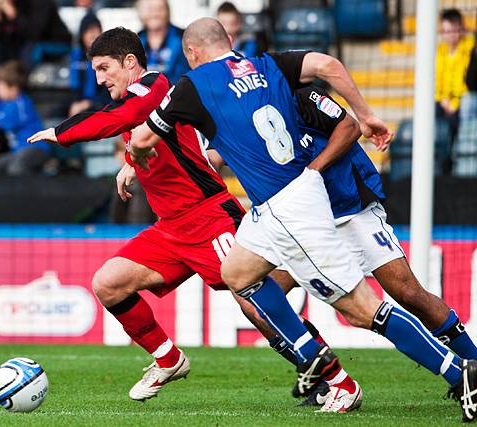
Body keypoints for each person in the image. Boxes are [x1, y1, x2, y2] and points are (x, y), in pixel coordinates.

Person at [130, 18, 477, 421]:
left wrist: (135, 159)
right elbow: (326, 66)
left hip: (317, 203)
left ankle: (461, 369)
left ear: (191, 54)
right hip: (277, 207)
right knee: (238, 274)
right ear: (230, 42)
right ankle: (318, 362)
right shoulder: (271, 68)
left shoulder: (203, 86)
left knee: (367, 306)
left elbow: (143, 139)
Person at [27, 27, 356, 407]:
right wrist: (131, 164)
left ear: (130, 62)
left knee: (256, 303)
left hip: (210, 215)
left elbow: (120, 118)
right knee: (108, 283)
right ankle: (168, 359)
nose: (99, 79)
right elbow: (149, 136)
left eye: (104, 68)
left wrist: (60, 132)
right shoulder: (139, 97)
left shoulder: (154, 86)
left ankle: (334, 379)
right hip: (170, 228)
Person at [211, 83, 477, 407]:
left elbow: (346, 127)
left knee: (407, 293)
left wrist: (314, 170)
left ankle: (475, 366)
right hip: (302, 222)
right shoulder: (248, 112)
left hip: (349, 210)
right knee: (255, 299)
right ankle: (329, 381)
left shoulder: (302, 97)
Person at [435, 9, 474, 138]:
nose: (449, 35)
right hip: (443, 102)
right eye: (445, 31)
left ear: (460, 28)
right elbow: (436, 81)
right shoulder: (440, 51)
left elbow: (468, 81)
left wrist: (454, 104)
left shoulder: (469, 48)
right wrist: (442, 99)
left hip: (462, 101)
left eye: (452, 30)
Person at [136, 0, 190, 83]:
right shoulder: (134, 41)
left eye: (159, 8)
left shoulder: (185, 37)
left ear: (168, 11)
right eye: (150, 9)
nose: (154, 13)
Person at [68, 13, 107, 117]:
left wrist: (89, 103)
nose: (92, 35)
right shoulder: (77, 55)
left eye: (95, 30)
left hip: (102, 104)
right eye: (88, 31)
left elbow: (108, 90)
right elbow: (74, 86)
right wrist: (76, 103)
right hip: (80, 103)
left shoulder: (108, 57)